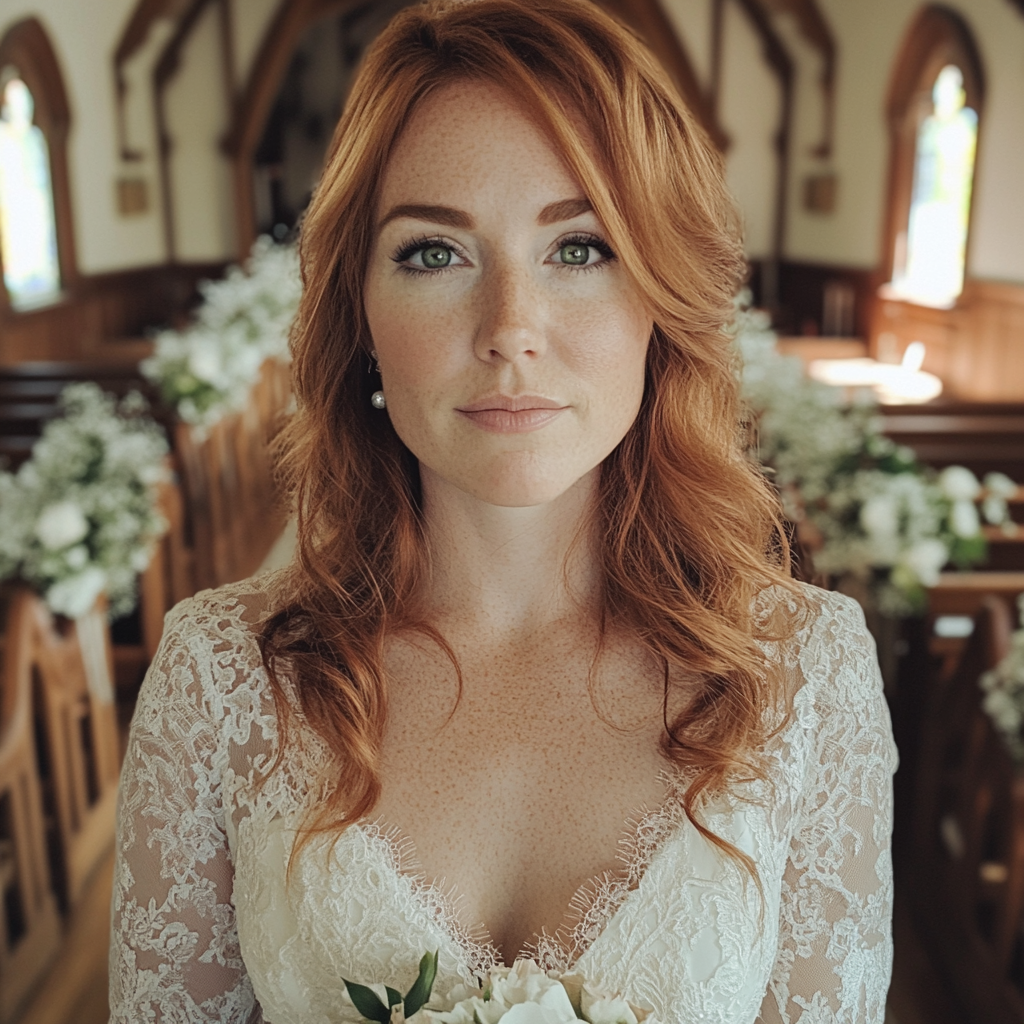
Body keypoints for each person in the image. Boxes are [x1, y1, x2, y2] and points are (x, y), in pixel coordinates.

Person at [108, 0, 897, 1021]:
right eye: (435, 253)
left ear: (662, 296)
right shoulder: (220, 679)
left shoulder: (808, 676)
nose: (510, 330)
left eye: (579, 249)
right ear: (359, 312)